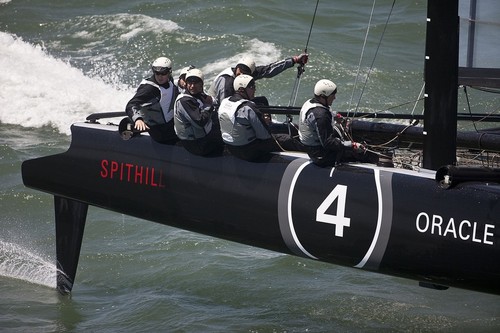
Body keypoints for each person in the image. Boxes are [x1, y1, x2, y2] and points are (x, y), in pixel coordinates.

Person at [218, 74, 303, 162]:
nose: (254, 89)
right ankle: (309, 155)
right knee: (286, 139)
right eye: (251, 87)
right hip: (249, 151)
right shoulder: (248, 107)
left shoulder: (224, 102)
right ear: (241, 90)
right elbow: (264, 136)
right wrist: (264, 122)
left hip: (231, 148)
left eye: (254, 86)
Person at [298, 79, 375, 167]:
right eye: (332, 95)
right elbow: (328, 143)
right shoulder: (321, 115)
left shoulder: (311, 102)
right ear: (323, 96)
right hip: (320, 155)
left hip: (313, 146)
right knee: (358, 154)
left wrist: (335, 116)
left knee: (339, 130)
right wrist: (352, 145)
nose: (335, 97)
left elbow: (319, 114)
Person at [208, 54, 308, 106]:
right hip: (218, 109)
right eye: (240, 71)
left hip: (237, 102)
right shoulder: (227, 81)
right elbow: (224, 107)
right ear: (237, 67)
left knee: (262, 101)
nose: (241, 75)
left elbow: (269, 69)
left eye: (245, 73)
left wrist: (294, 60)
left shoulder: (246, 76)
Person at [125, 56, 179, 144]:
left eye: (163, 73)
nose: (160, 76)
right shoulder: (149, 89)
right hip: (160, 131)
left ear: (169, 72)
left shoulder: (169, 80)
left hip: (171, 123)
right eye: (157, 73)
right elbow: (131, 105)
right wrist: (138, 119)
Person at [174, 68, 224, 156]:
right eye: (190, 83)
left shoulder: (198, 95)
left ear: (201, 85)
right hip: (196, 144)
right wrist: (209, 107)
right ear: (186, 84)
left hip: (202, 137)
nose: (192, 86)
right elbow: (200, 121)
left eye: (195, 83)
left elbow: (213, 102)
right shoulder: (184, 101)